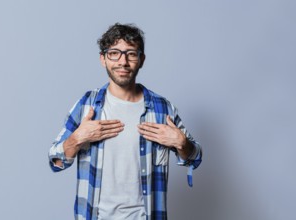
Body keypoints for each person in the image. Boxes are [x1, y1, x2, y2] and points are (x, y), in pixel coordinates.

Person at [48, 23, 202, 220]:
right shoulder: (87, 105)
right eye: (114, 53)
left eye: (131, 53)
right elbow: (56, 161)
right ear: (103, 59)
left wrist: (182, 144)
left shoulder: (162, 109)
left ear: (141, 59)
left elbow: (194, 158)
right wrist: (77, 138)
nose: (123, 62)